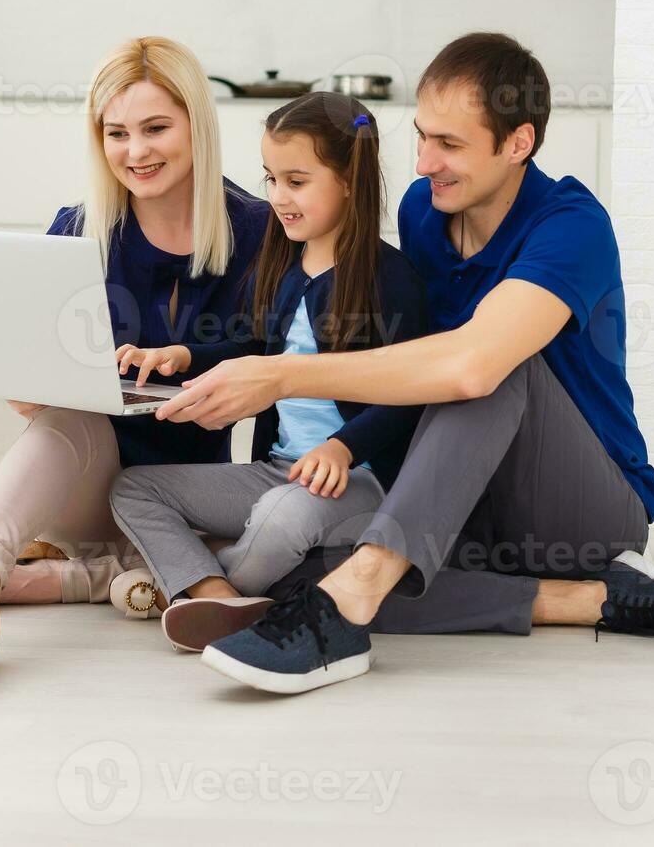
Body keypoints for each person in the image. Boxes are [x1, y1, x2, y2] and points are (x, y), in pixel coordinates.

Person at [151, 32, 654, 694]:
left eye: (450, 145)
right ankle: (590, 601)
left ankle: (349, 608)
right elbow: (405, 360)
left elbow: (468, 367)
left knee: (489, 362)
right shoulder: (425, 213)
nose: (425, 163)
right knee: (296, 567)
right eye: (423, 137)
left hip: (580, 510)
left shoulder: (572, 226)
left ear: (518, 143)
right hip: (468, 502)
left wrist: (283, 373)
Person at [0, 36, 267, 669]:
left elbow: (271, 362)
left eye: (156, 128)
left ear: (197, 123)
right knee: (66, 416)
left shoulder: (259, 230)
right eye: (117, 134)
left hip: (184, 495)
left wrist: (194, 366)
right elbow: (31, 376)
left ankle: (87, 577)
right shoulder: (77, 229)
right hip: (80, 482)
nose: (136, 152)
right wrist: (27, 384)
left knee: (259, 560)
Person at [109, 93, 430, 653]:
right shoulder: (284, 262)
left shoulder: (391, 277)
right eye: (271, 179)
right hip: (275, 470)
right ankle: (215, 595)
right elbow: (258, 349)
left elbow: (411, 393)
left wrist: (343, 448)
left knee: (280, 521)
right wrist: (184, 355)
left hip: (355, 479)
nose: (278, 198)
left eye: (297, 181)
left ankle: (185, 583)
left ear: (350, 178)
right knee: (134, 488)